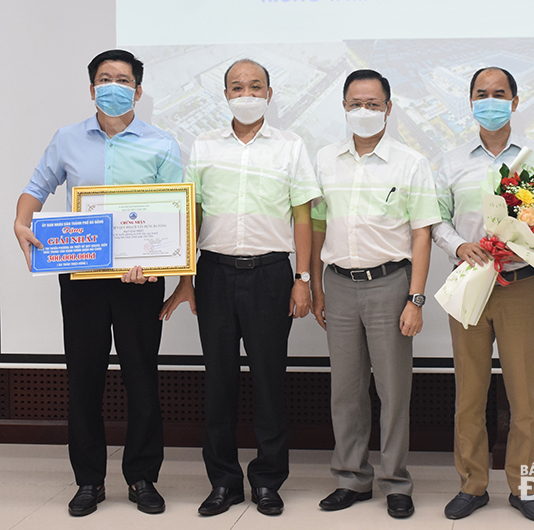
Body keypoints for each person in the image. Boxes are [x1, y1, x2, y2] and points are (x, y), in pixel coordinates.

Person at [13, 49, 183, 516]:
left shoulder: (162, 143)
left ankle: (143, 477)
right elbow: (36, 188)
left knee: (141, 379)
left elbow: (177, 216)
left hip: (140, 280)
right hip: (82, 276)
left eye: (122, 79)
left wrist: (163, 265)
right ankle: (88, 480)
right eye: (104, 79)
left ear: (138, 90)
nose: (113, 86)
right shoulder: (67, 139)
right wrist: (21, 222)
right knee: (84, 379)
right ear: (92, 89)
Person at [161, 59, 320, 517]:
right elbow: (188, 213)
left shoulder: (290, 146)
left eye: (255, 87)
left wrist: (302, 279)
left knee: (270, 381)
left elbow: (303, 217)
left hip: (272, 274)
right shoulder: (204, 145)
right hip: (213, 274)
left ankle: (269, 481)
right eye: (237, 87)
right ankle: (224, 482)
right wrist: (185, 280)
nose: (246, 93)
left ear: (269, 94)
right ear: (225, 93)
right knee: (220, 382)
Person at [310, 69, 442, 519]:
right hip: (339, 285)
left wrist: (416, 299)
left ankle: (395, 481)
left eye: (372, 103)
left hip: (391, 286)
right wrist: (314, 284)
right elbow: (318, 225)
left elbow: (422, 235)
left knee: (393, 391)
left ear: (388, 107)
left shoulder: (410, 163)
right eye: (354, 103)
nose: (362, 111)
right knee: (345, 391)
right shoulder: (326, 159)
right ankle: (352, 478)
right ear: (343, 107)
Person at [433, 67, 534, 522]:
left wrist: (525, 240)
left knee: (524, 394)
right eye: (481, 94)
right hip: (469, 284)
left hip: (520, 286)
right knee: (470, 391)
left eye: (499, 94)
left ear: (515, 102)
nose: (490, 100)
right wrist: (457, 245)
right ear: (470, 103)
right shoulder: (449, 160)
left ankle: (525, 488)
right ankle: (473, 485)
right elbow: (437, 218)